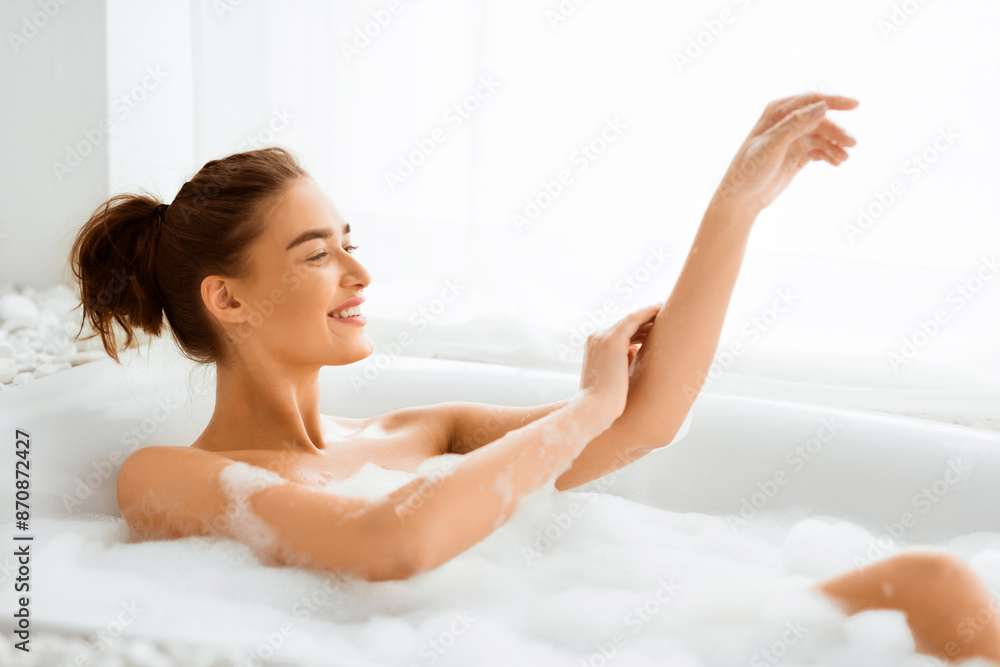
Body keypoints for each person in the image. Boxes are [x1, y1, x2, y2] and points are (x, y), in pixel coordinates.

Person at [69, 93, 1000, 664]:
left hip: (581, 637)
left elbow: (650, 416)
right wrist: (588, 404)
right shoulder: (165, 476)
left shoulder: (418, 433)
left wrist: (738, 205)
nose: (358, 275)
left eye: (353, 246)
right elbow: (392, 544)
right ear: (227, 298)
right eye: (319, 255)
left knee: (931, 579)